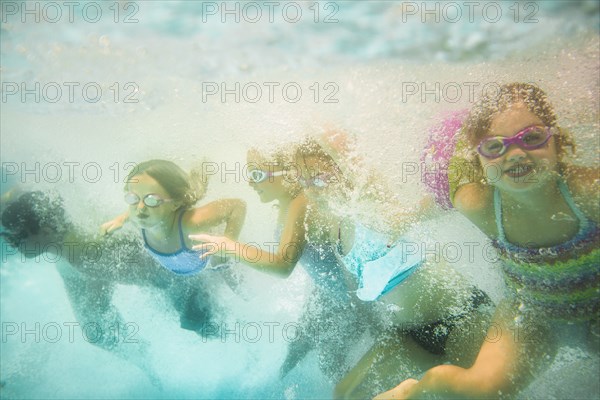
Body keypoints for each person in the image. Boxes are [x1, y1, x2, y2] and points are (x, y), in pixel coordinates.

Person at [377, 83, 599, 399]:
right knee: (479, 390)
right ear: (480, 158)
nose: (516, 153)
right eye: (496, 147)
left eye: (532, 138)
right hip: (529, 316)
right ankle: (411, 392)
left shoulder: (586, 192)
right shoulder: (480, 205)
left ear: (557, 141)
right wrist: (401, 220)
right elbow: (441, 200)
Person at [291, 132, 494, 399]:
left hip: (461, 317)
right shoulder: (333, 228)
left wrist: (309, 118)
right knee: (346, 394)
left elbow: (340, 146)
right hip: (410, 334)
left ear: (341, 171)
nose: (312, 188)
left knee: (475, 394)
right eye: (304, 181)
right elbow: (359, 291)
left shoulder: (367, 198)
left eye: (318, 178)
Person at [189, 145, 369, 382]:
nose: (250, 183)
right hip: (326, 294)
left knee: (330, 363)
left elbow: (283, 265)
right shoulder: (287, 203)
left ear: (289, 173)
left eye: (257, 174)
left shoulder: (301, 203)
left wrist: (229, 246)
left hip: (352, 302)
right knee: (293, 352)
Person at [1, 191, 165, 384]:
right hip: (82, 260)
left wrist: (97, 302)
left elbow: (111, 268)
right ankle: (143, 359)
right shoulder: (62, 249)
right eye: (9, 238)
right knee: (94, 333)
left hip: (161, 269)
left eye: (18, 238)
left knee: (95, 324)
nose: (13, 244)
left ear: (45, 232)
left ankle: (148, 362)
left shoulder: (80, 254)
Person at [99, 159, 247, 333]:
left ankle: (205, 164)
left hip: (216, 265)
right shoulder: (141, 217)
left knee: (245, 296)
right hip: (186, 271)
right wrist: (120, 219)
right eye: (133, 198)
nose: (139, 208)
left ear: (175, 204)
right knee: (190, 322)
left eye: (152, 200)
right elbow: (138, 207)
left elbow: (237, 206)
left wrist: (227, 245)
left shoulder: (189, 224)